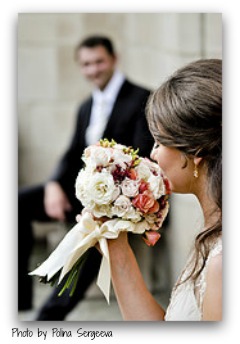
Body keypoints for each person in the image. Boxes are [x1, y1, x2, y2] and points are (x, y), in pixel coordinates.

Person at [18, 35, 154, 319]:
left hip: (122, 197)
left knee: (93, 236)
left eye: (99, 61)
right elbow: (72, 153)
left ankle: (48, 318)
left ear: (114, 59)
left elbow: (142, 157)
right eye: (86, 64)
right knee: (16, 203)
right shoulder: (86, 106)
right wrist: (54, 183)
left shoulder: (141, 98)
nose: (93, 70)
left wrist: (103, 203)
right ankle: (18, 296)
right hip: (80, 191)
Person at [104, 59, 222, 321]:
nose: (152, 154)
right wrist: (116, 247)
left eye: (159, 141)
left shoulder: (223, 263)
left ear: (196, 152)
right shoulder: (213, 231)